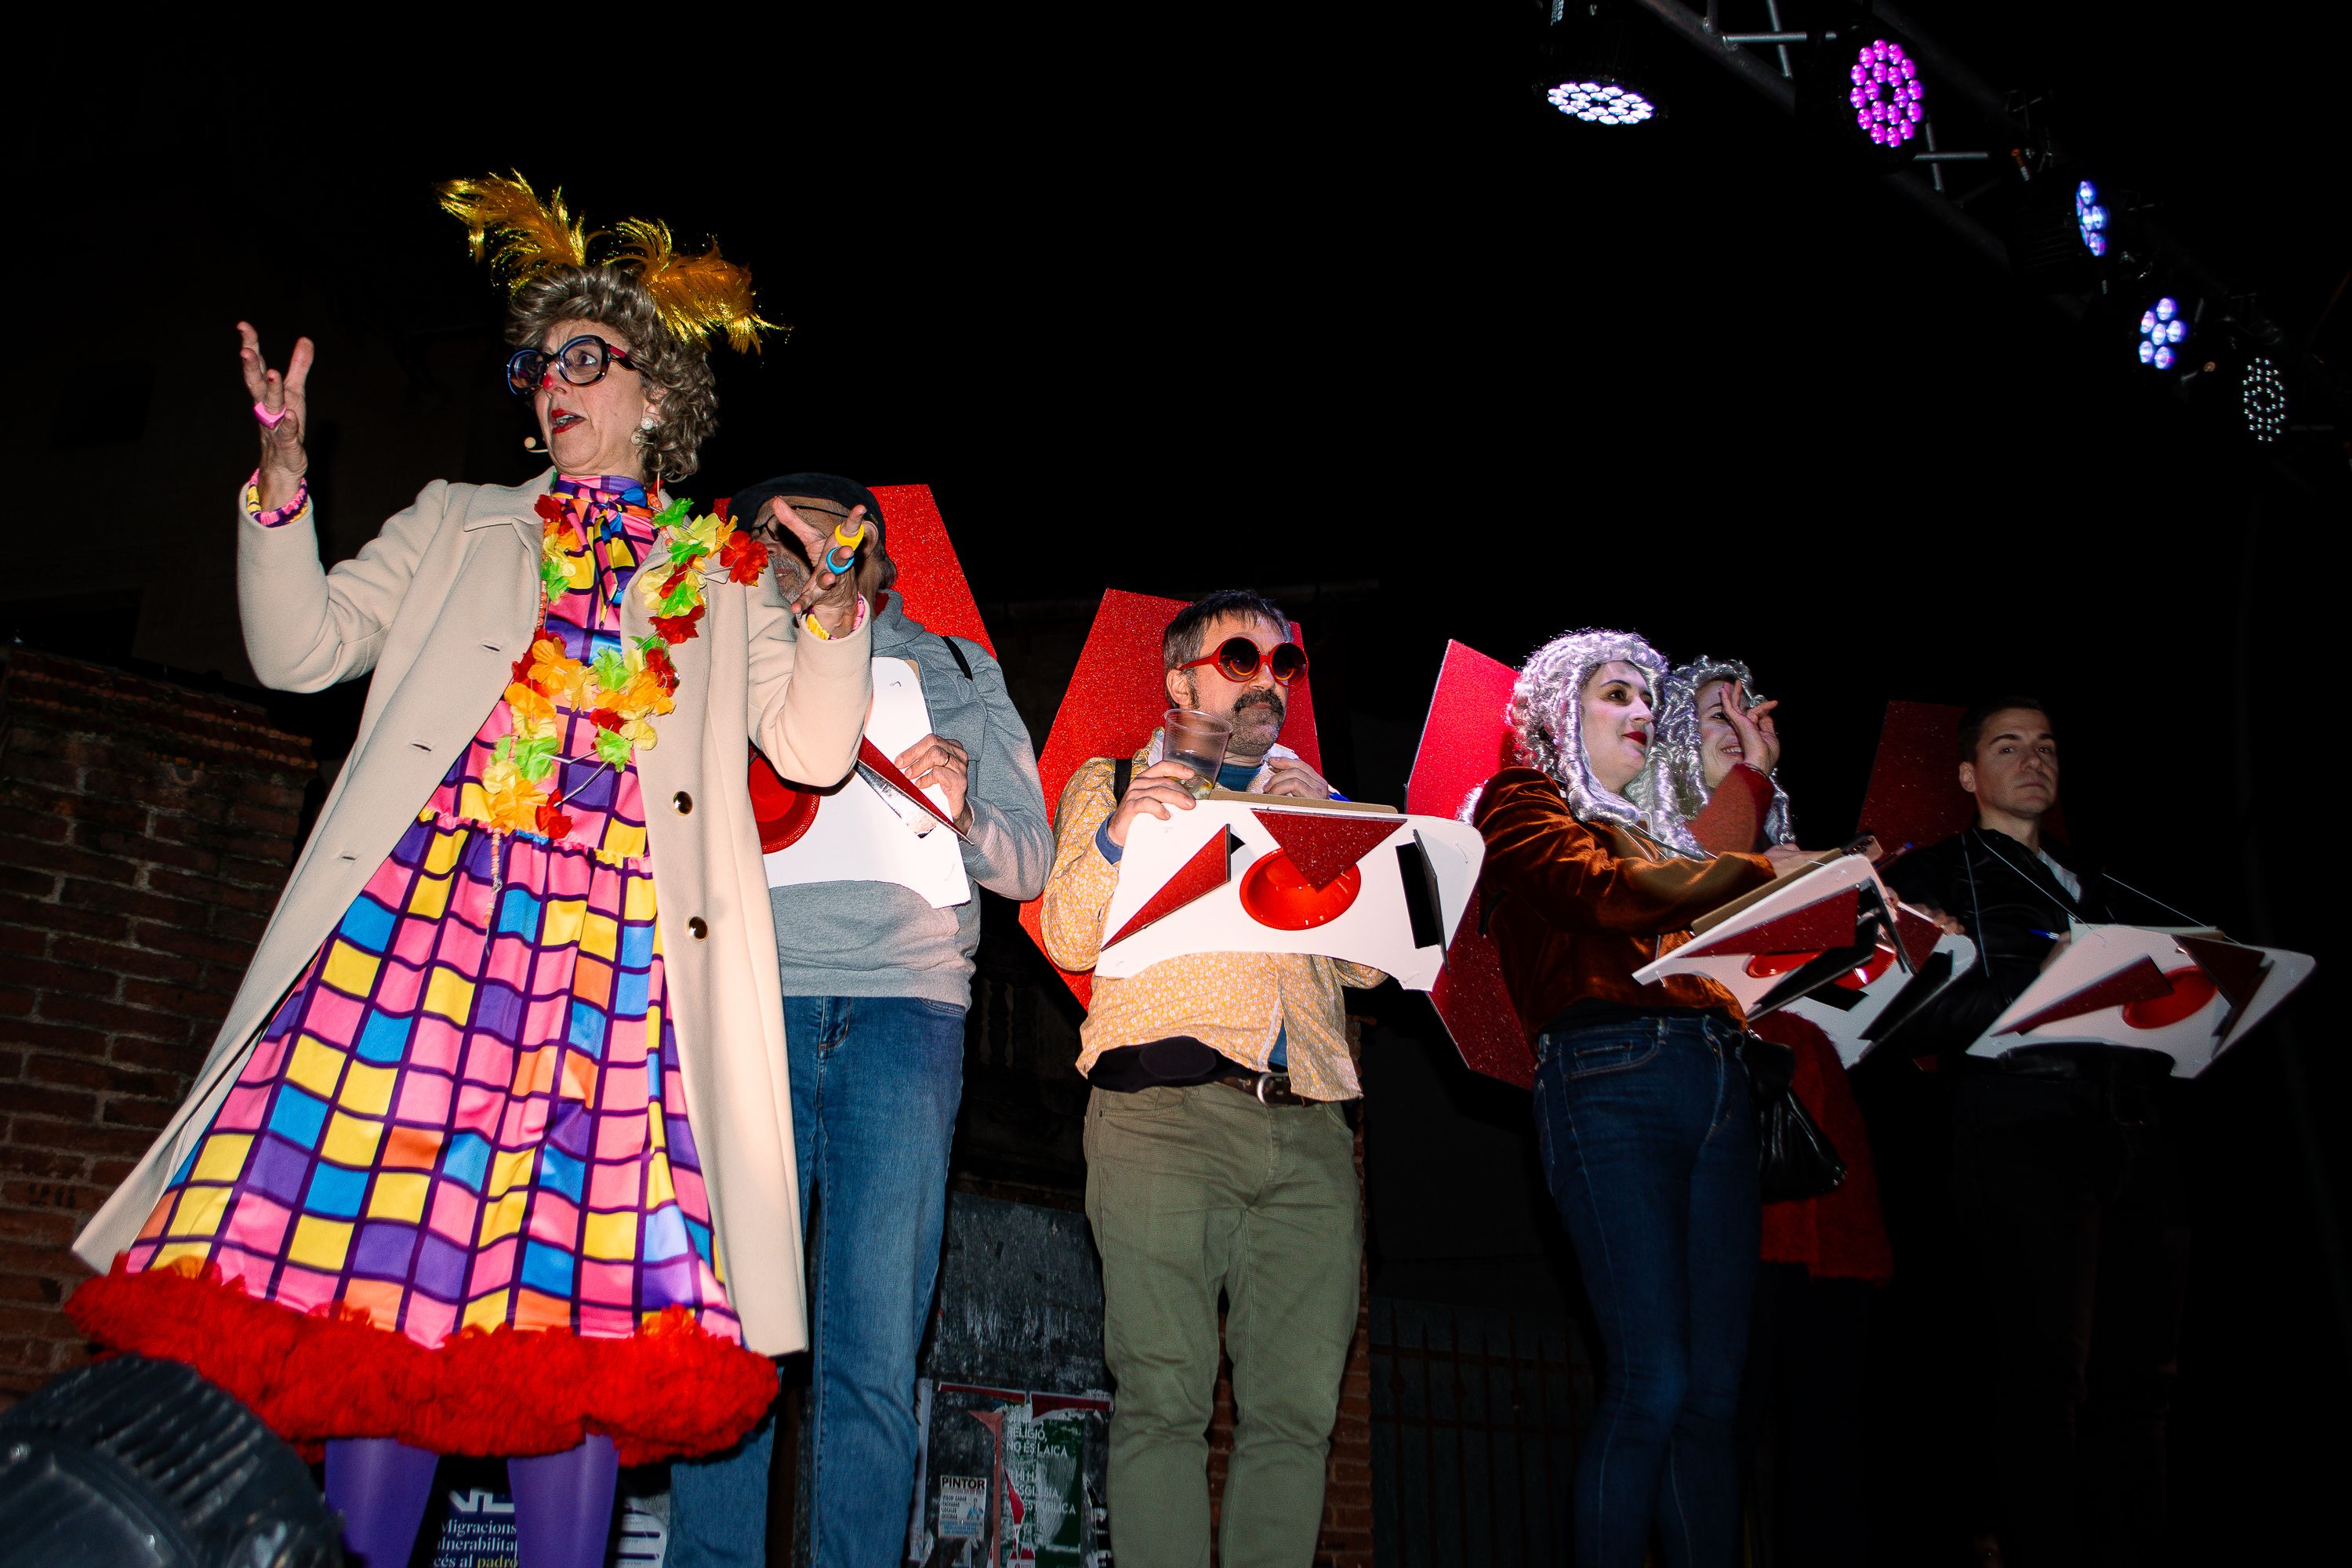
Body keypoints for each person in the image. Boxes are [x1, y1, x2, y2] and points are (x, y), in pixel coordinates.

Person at [67, 176, 874, 1568]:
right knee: (389, 1280)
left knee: (573, 1302)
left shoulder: (726, 569)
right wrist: (278, 480)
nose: (550, 385)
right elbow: (299, 651)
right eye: (535, 363)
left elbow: (810, 749)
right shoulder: (458, 520)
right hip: (429, 934)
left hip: (617, 962)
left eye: (583, 358)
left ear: (653, 393)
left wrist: (836, 603)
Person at [668, 474, 1051, 1568]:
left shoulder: (960, 668)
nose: (789, 544)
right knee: (735, 1346)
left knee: (874, 1355)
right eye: (767, 529)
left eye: (816, 528)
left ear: (871, 550)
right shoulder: (714, 657)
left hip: (906, 1013)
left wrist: (968, 803)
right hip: (749, 1002)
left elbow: (1030, 863)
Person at [1472, 628, 1834, 1568]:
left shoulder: (1663, 836)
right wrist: (1758, 874)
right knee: (1652, 1380)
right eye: (1616, 694)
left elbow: (1698, 902)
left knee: (1715, 1393)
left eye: (1646, 697)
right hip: (1609, 1078)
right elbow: (1602, 894)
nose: (1642, 712)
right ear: (1559, 712)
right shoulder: (1520, 802)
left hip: (1714, 1080)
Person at [1036, 590, 1376, 1568]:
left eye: (1285, 663)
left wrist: (1350, 843)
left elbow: (1368, 968)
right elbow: (1066, 932)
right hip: (1163, 1117)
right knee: (1164, 1396)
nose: (1270, 676)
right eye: (1241, 656)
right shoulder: (1114, 780)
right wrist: (1118, 833)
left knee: (1298, 1412)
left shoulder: (1312, 794)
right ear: (1182, 676)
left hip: (1312, 1126)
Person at [1885, 697, 2187, 1568]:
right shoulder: (1937, 876)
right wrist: (2043, 987)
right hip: (2020, 1126)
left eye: (2047, 744)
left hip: (2130, 1129)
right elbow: (1914, 1020)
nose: (2034, 759)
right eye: (2008, 744)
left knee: (2145, 1382)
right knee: (2046, 1370)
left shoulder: (2100, 879)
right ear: (1968, 775)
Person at [1638, 658, 1892, 1568]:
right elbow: (1680, 912)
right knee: (1718, 1418)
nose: (1737, 725)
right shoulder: (1648, 837)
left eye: (1748, 712)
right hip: (1714, 1149)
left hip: (1817, 1157)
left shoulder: (1803, 851)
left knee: (1832, 1436)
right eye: (1712, 712)